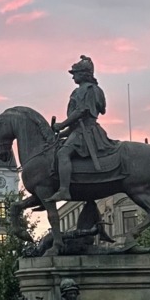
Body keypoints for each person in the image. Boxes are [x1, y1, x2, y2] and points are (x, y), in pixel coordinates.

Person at [49, 55, 119, 203]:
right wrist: (62, 134)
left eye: (75, 73)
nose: (73, 77)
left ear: (83, 74)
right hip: (85, 129)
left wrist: (61, 125)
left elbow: (81, 111)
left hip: (85, 132)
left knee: (63, 154)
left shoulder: (84, 90)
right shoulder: (96, 90)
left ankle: (64, 190)